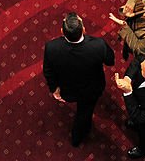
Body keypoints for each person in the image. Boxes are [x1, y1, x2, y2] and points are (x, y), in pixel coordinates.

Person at [43, 12, 116, 147]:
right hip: (91, 90)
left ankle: (77, 139)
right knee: (84, 113)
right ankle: (77, 137)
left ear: (62, 32)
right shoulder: (99, 45)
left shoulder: (51, 47)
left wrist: (54, 89)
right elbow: (111, 61)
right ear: (83, 29)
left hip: (68, 91)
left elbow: (48, 72)